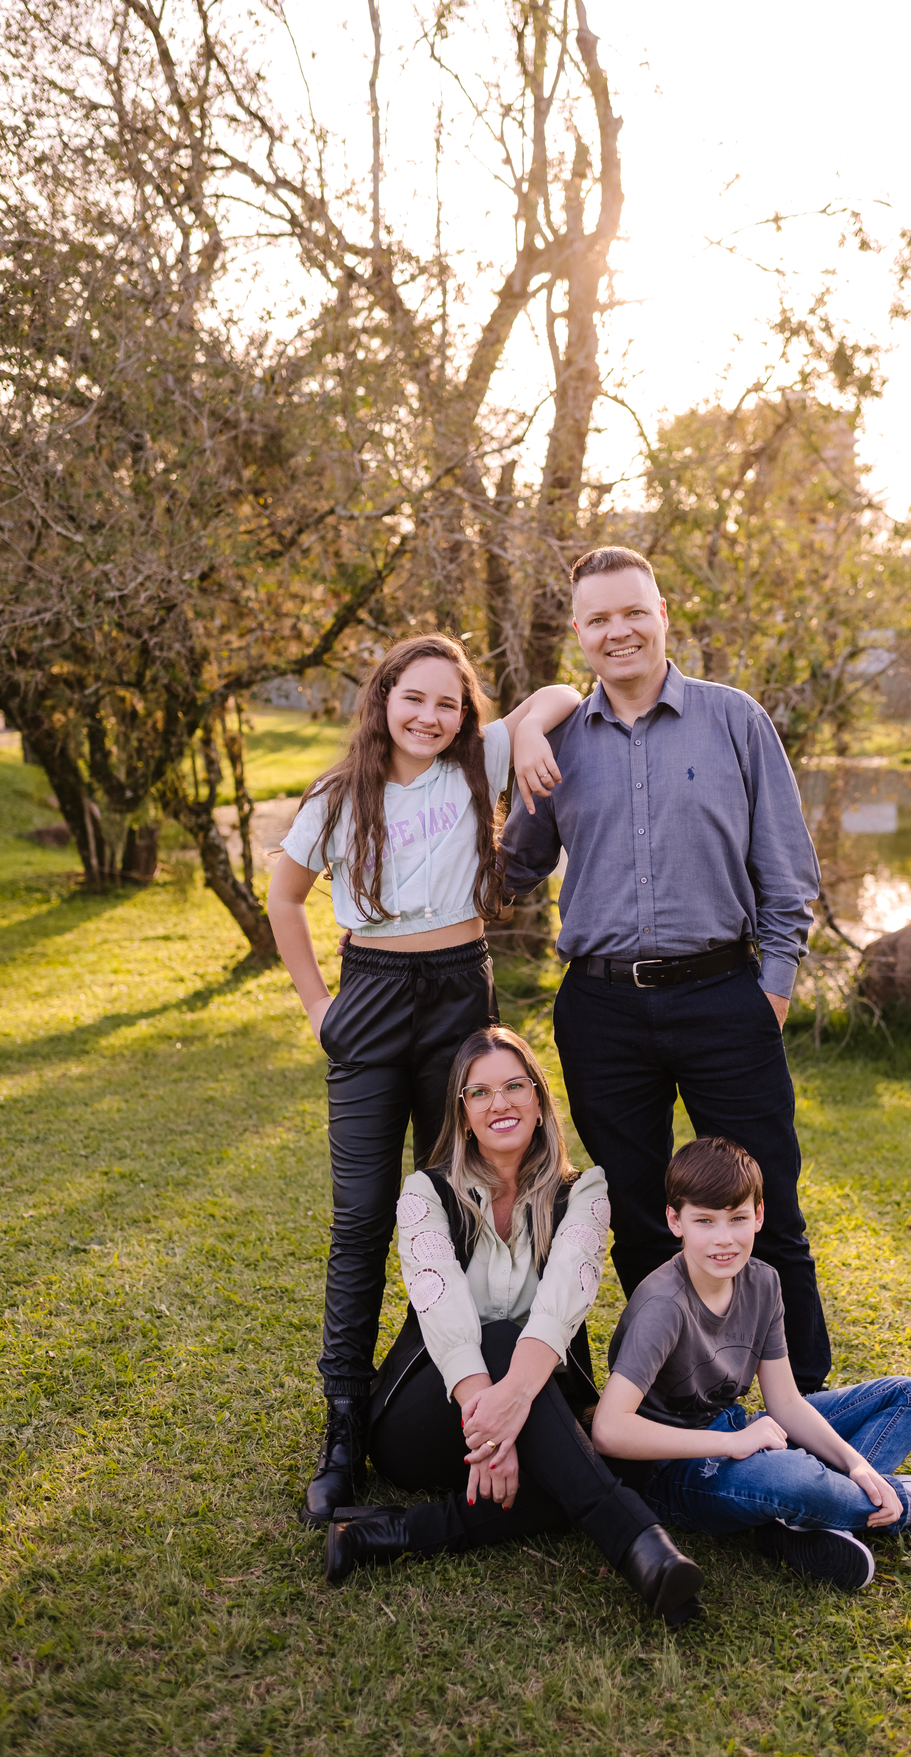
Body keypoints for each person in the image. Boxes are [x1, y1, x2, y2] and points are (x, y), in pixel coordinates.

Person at [268, 633, 582, 1524]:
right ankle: (343, 1423)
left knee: (465, 1194)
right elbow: (284, 897)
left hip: (457, 998)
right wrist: (319, 1008)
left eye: (448, 704)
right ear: (384, 698)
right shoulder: (338, 797)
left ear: (464, 714)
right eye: (415, 699)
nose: (429, 717)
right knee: (363, 1215)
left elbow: (560, 690)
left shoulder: (475, 763)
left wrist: (523, 732)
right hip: (367, 999)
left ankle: (460, 1380)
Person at [500, 545, 831, 1390]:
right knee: (645, 1221)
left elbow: (787, 872)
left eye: (633, 612)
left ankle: (810, 1403)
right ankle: (680, 1400)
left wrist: (776, 989)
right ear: (579, 633)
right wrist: (503, 749)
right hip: (602, 1013)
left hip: (727, 999)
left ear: (662, 616)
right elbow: (512, 869)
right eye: (600, 619)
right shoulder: (559, 741)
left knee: (768, 1213)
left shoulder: (734, 721)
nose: (619, 632)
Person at [323, 1027, 704, 1626]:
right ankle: (637, 1545)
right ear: (464, 1112)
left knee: (626, 1446)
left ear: (539, 1098)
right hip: (425, 1417)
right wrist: (493, 1426)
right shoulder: (426, 1193)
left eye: (513, 1086)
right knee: (497, 1335)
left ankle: (394, 1532)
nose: (499, 1104)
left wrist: (510, 1410)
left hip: (536, 1406)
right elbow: (445, 1318)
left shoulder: (585, 1192)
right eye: (480, 1093)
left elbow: (559, 1307)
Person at [592, 1136, 911, 1592]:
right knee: (796, 1478)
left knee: (905, 1398)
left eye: (738, 1218)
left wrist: (856, 1464)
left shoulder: (762, 1282)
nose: (724, 1238)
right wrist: (737, 1443)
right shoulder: (663, 1305)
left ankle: (805, 1525)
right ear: (675, 1221)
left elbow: (787, 1404)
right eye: (705, 1221)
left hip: (738, 1431)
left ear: (758, 1214)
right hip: (676, 1473)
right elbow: (609, 1430)